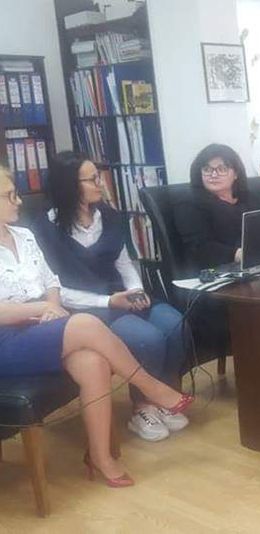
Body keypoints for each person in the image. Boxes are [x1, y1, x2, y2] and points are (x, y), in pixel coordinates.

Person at [0, 165, 192, 487]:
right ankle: (151, 387)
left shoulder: (24, 235)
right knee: (86, 323)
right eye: (9, 195)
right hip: (7, 339)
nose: (18, 200)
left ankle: (100, 457)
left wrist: (52, 306)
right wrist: (44, 308)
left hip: (39, 326)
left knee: (94, 364)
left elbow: (51, 281)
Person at [32, 151, 189, 442]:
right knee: (147, 338)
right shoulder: (45, 228)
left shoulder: (109, 216)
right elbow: (53, 288)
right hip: (85, 311)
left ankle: (164, 399)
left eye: (98, 177)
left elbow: (124, 263)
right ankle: (142, 407)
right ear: (70, 186)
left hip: (120, 295)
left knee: (175, 323)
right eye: (92, 179)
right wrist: (108, 301)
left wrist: (135, 291)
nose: (100, 184)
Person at [173, 143, 256, 271]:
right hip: (213, 272)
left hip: (251, 265)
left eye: (222, 169)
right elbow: (200, 248)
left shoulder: (247, 198)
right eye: (207, 169)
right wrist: (238, 254)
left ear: (236, 174)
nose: (213, 175)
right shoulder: (188, 203)